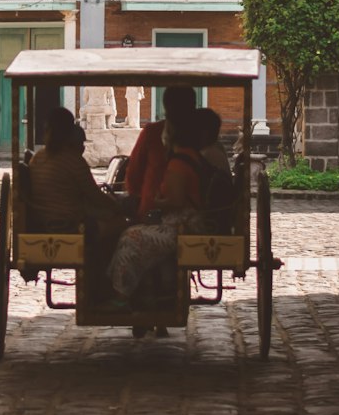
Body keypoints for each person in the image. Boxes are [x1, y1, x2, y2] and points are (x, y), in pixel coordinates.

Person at [108, 104, 206, 301]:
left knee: (130, 236)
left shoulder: (178, 163)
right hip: (181, 220)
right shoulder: (191, 156)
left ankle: (120, 293)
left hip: (179, 224)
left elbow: (175, 200)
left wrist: (154, 202)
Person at [27, 107, 127, 246]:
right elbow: (94, 195)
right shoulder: (73, 160)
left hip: (42, 219)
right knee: (119, 223)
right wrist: (117, 206)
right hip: (70, 224)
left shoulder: (38, 157)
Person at [124, 84, 198, 220]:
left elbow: (133, 177)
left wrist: (152, 200)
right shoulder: (202, 135)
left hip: (160, 216)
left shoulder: (154, 134)